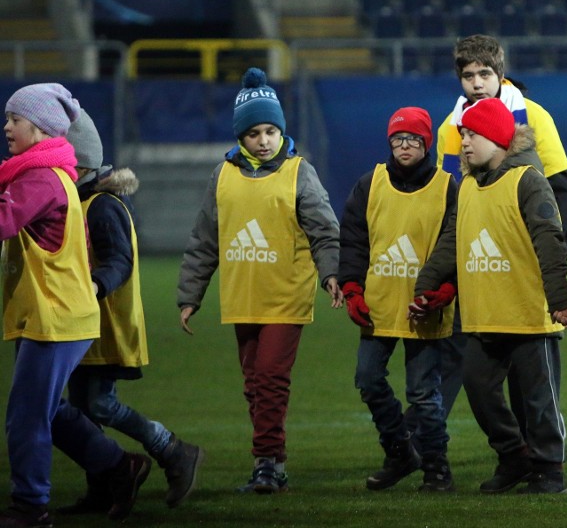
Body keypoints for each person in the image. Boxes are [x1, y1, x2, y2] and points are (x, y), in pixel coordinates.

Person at [177, 67, 343, 494]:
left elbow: (325, 230)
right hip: (241, 297)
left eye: (271, 130)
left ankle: (268, 463)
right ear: (241, 136)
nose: (265, 140)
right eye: (255, 133)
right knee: (255, 384)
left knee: (269, 377)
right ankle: (272, 461)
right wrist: (189, 295)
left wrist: (330, 276)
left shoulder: (299, 173)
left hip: (285, 296)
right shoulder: (222, 176)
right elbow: (204, 241)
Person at [406, 33, 567, 437]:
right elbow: (456, 194)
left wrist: (535, 252)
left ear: (500, 74)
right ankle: (427, 448)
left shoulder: (533, 116)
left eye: (485, 74)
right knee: (464, 365)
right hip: (475, 262)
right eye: (469, 76)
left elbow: (561, 188)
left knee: (525, 372)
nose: (478, 83)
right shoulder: (455, 126)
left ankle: (538, 454)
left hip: (518, 263)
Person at [1, 83, 150, 525]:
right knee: (48, 409)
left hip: (57, 314)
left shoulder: (41, 179)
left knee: (26, 415)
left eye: (15, 120)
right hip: (53, 312)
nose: (7, 127)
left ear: (43, 129)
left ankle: (31, 507)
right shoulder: (42, 175)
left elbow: (4, 220)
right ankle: (122, 467)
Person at [58, 108, 203, 514]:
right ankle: (104, 487)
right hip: (84, 326)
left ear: (79, 162)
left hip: (106, 326)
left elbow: (118, 261)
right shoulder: (86, 202)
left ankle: (173, 450)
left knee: (100, 405)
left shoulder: (101, 206)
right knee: (85, 408)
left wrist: (95, 285)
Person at [339, 107, 458, 492]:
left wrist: (447, 290)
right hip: (378, 303)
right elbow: (354, 240)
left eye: (413, 139)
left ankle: (437, 468)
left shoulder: (447, 187)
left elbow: (455, 243)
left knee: (424, 394)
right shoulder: (369, 184)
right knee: (368, 380)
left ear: (427, 143)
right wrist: (352, 287)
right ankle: (400, 451)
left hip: (424, 308)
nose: (404, 146)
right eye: (397, 139)